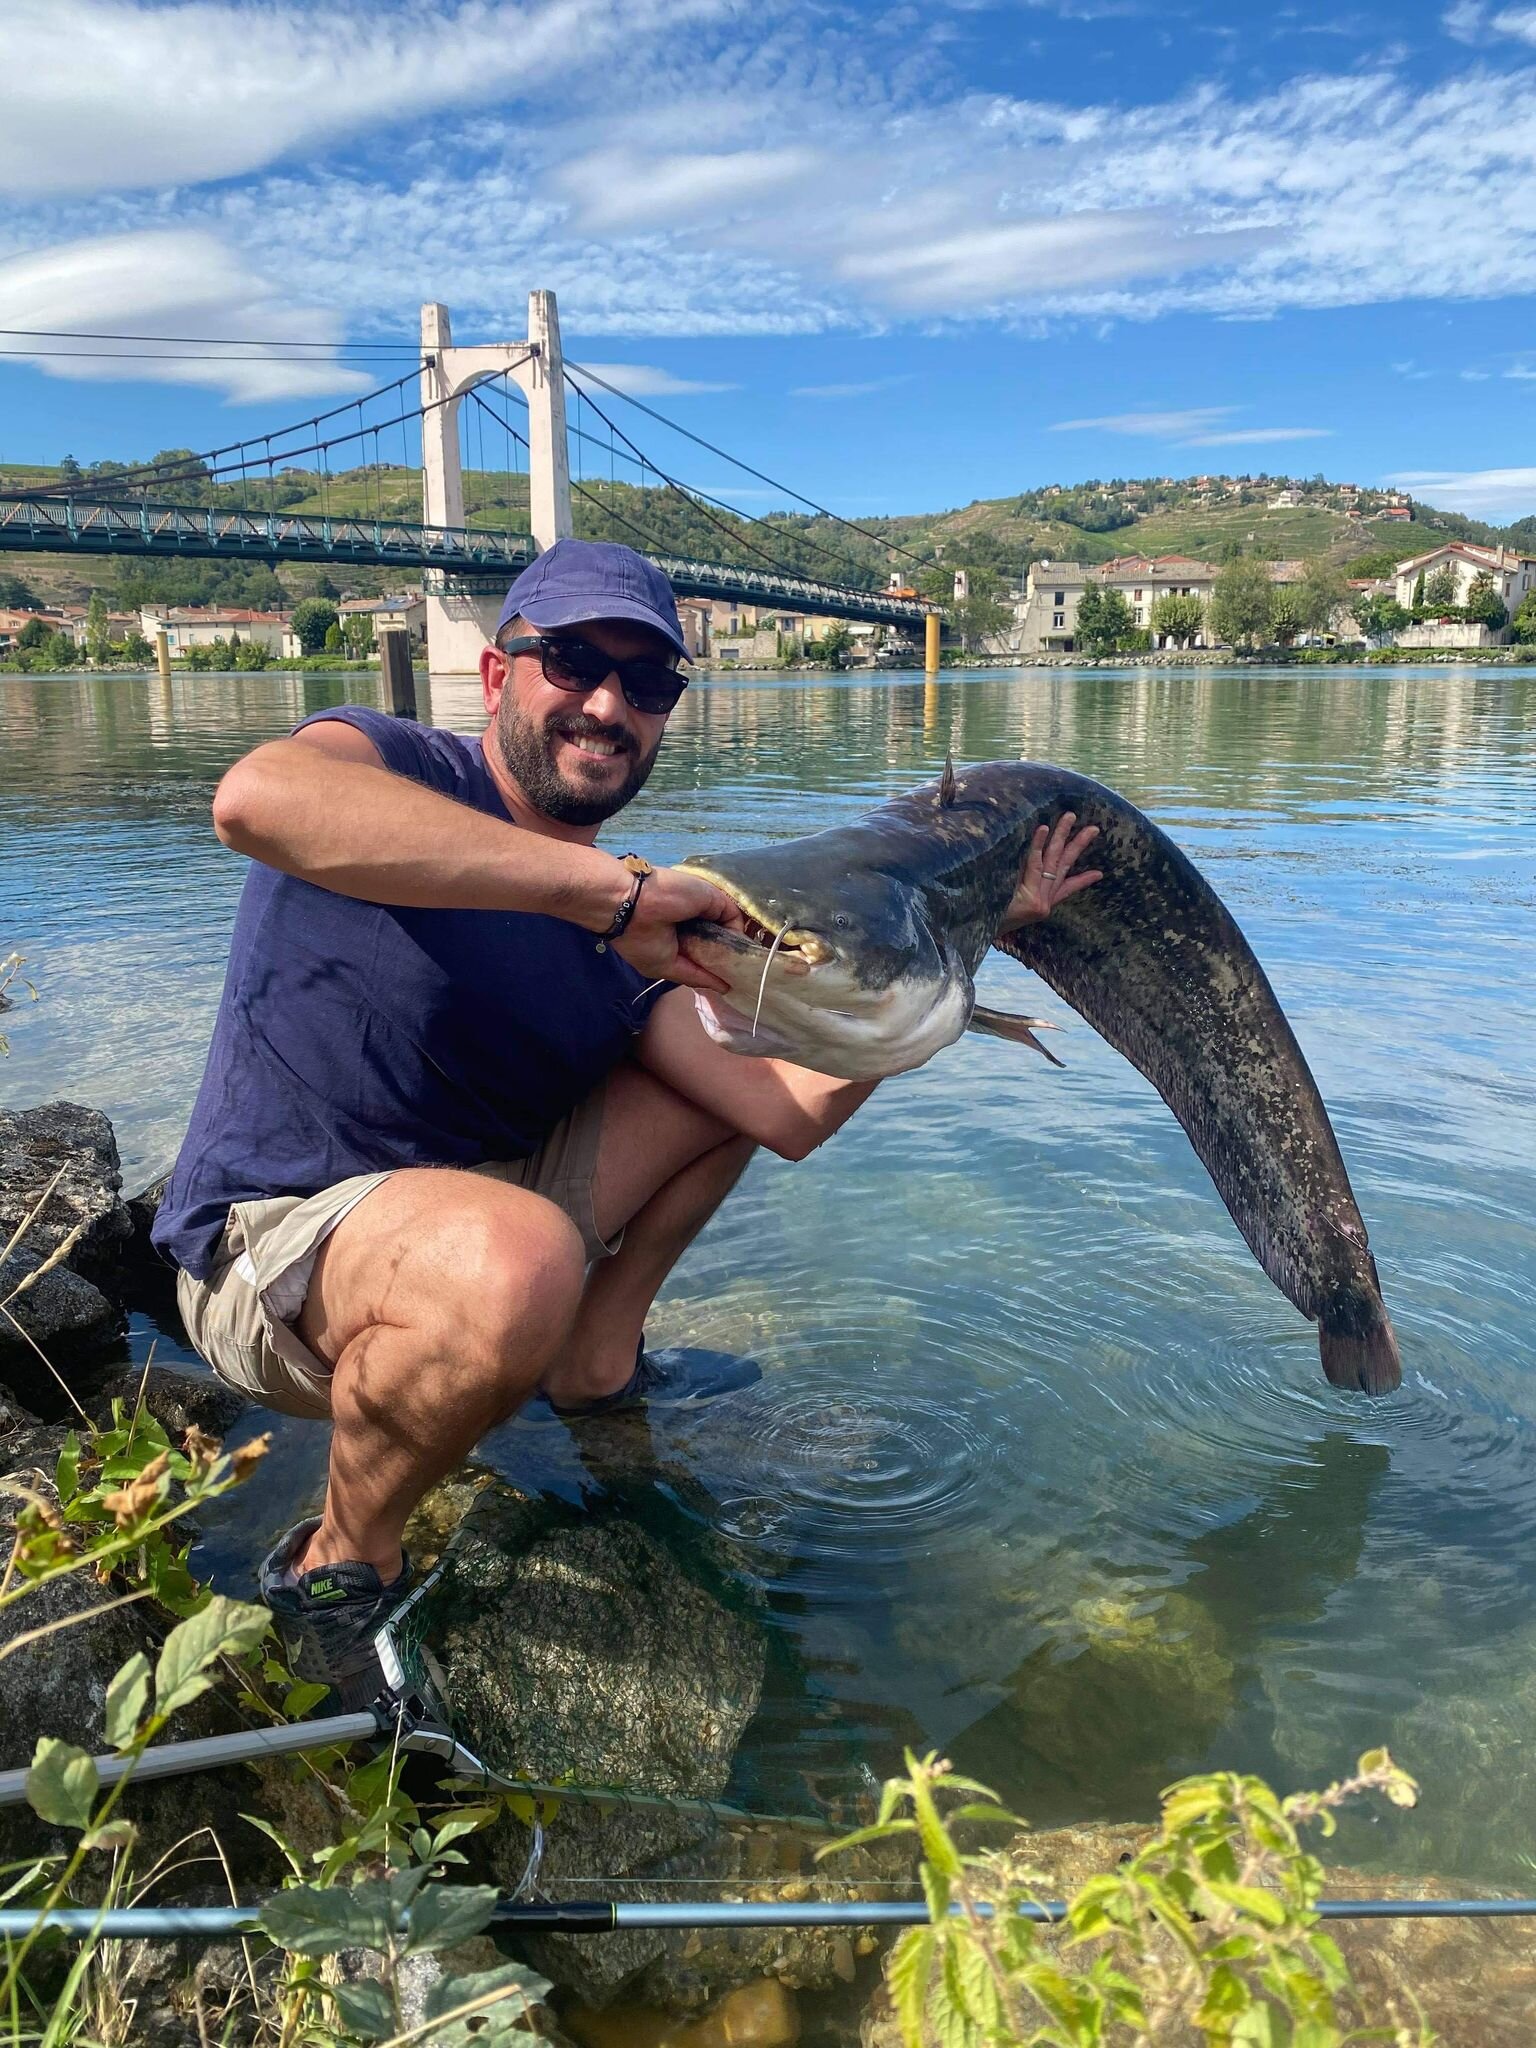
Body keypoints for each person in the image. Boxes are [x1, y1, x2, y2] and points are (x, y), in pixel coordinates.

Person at [152, 539, 1101, 1711]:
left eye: (647, 684)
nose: (607, 704)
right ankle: (340, 1563)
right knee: (517, 1256)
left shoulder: (637, 936)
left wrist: (962, 940)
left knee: (745, 1046)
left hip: (461, 1231)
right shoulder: (397, 764)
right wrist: (604, 895)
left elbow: (787, 1112)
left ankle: (593, 1359)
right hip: (271, 1251)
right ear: (499, 677)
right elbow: (253, 800)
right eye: (572, 662)